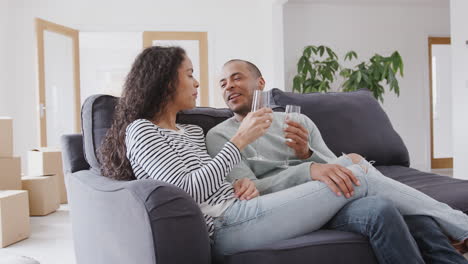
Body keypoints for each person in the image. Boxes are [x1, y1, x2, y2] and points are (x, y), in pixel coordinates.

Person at [98, 46, 468, 263]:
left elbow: (217, 181)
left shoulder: (192, 130)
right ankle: (461, 226)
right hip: (226, 226)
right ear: (165, 81)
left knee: (363, 181)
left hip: (246, 207)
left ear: (260, 83)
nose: (199, 83)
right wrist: (239, 144)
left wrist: (242, 182)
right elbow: (189, 191)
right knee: (356, 170)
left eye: (197, 75)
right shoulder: (142, 130)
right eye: (190, 75)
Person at [206, 59, 468, 262]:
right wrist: (309, 169)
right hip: (289, 210)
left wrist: (307, 154)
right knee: (370, 188)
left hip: (336, 195)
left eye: (236, 78)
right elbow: (251, 191)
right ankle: (461, 224)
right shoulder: (220, 136)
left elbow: (335, 167)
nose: (228, 85)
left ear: (260, 82)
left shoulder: (297, 121)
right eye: (222, 83)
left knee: (399, 211)